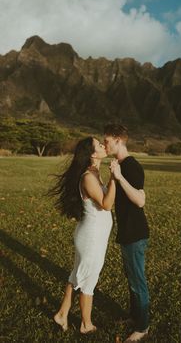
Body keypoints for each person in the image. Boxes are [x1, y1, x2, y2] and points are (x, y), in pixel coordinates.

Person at [49, 137, 116, 334]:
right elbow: (106, 204)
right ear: (92, 153)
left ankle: (62, 314)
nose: (104, 146)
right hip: (91, 238)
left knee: (77, 274)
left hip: (92, 235)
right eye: (100, 145)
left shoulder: (94, 172)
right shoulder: (88, 177)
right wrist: (114, 177)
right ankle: (86, 325)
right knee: (88, 279)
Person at [104, 124, 150, 343]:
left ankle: (142, 327)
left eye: (107, 141)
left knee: (137, 282)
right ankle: (134, 317)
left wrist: (120, 177)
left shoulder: (131, 166)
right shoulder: (120, 165)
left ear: (118, 140)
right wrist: (113, 176)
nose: (105, 145)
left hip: (135, 233)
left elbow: (140, 200)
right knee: (131, 279)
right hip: (126, 233)